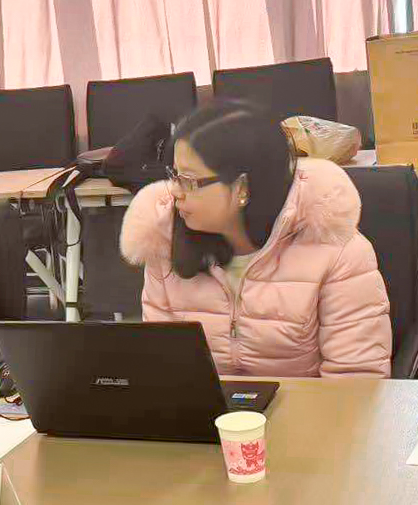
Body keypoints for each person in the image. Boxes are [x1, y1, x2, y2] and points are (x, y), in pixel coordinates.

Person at [119, 100, 392, 377]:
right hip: (207, 405)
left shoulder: (337, 251)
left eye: (189, 181)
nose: (175, 192)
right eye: (174, 175)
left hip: (310, 404)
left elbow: (356, 380)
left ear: (241, 188)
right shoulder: (163, 240)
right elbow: (163, 369)